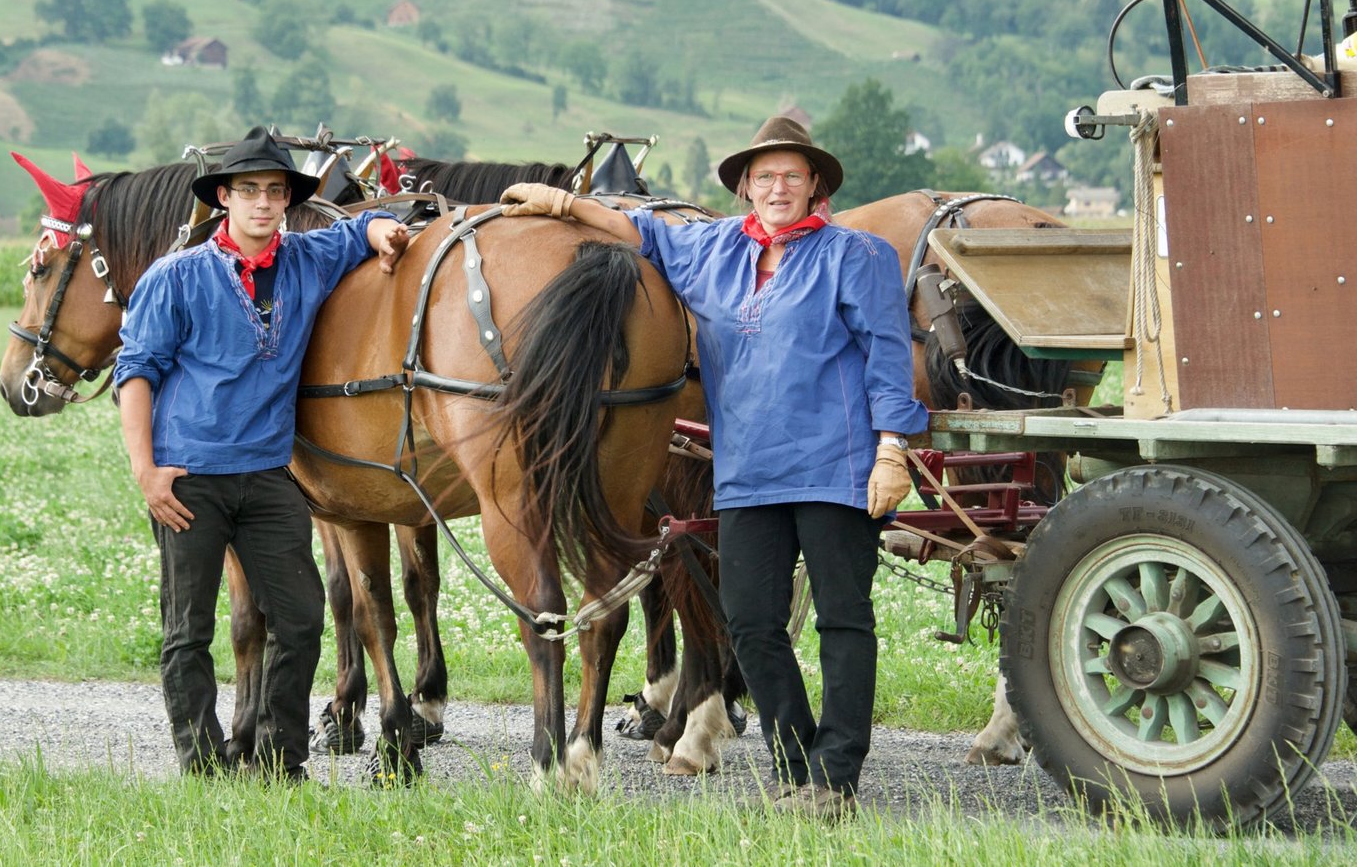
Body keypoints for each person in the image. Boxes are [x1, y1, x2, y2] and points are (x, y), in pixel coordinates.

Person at [500, 116, 928, 818]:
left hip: (838, 465)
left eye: (792, 175)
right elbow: (640, 231)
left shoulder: (857, 254)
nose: (779, 187)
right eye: (765, 176)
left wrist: (892, 448)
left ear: (815, 185)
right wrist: (563, 203)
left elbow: (887, 354)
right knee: (750, 621)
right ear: (746, 187)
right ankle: (795, 760)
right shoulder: (714, 248)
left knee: (843, 620)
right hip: (749, 473)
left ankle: (835, 773)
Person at [114, 126, 411, 781]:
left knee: (301, 619)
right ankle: (202, 764)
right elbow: (134, 373)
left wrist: (383, 229)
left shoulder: (307, 259)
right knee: (188, 630)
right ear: (224, 197)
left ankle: (280, 761)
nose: (263, 202)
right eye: (249, 190)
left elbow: (358, 231)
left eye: (275, 191)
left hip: (271, 477)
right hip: (189, 478)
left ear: (287, 200)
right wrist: (146, 472)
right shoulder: (177, 276)